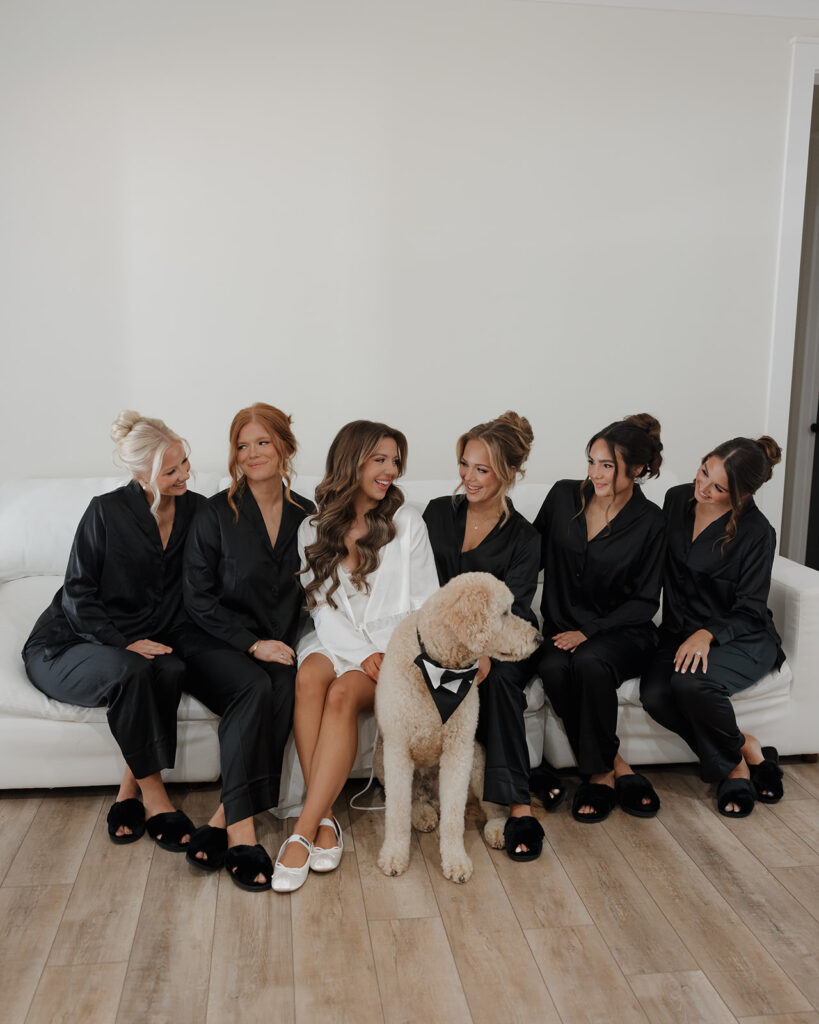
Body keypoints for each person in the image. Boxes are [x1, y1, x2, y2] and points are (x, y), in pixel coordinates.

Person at [272, 420, 439, 893]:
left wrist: (382, 652)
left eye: (395, 461)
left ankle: (302, 834)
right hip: (339, 638)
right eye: (379, 459)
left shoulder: (409, 524)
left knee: (342, 694)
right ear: (352, 461)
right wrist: (360, 651)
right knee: (309, 678)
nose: (391, 470)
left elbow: (427, 603)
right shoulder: (313, 526)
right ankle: (325, 819)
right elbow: (320, 609)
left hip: (394, 647)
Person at [23, 411, 202, 851]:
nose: (184, 474)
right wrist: (122, 642)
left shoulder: (195, 509)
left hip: (136, 642)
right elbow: (77, 592)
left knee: (171, 669)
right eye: (171, 469)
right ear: (142, 474)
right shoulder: (105, 511)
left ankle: (128, 790)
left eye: (184, 462)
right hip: (69, 643)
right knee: (132, 670)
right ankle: (157, 799)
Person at [180, 402, 315, 892]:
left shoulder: (307, 514)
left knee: (286, 685)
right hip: (209, 640)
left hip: (274, 646)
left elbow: (314, 590)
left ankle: (220, 814)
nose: (253, 453)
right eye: (242, 445)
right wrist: (253, 643)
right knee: (255, 688)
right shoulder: (215, 513)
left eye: (263, 441)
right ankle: (241, 831)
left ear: (284, 444)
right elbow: (196, 598)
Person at [423, 411, 549, 861]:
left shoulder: (524, 537)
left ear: (509, 474)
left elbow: (512, 610)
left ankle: (518, 806)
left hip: (505, 642)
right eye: (464, 464)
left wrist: (482, 655)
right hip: (441, 640)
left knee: (497, 681)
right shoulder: (438, 513)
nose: (468, 478)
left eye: (482, 469)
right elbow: (420, 587)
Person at [640, 436, 785, 817]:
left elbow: (751, 608)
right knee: (655, 695)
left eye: (719, 487)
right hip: (679, 632)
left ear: (740, 494)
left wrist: (708, 635)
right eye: (704, 471)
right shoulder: (675, 500)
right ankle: (746, 747)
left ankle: (733, 770)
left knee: (690, 682)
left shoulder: (758, 533)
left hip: (741, 637)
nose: (703, 487)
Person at [532, 414, 666, 823]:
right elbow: (528, 549)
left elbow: (644, 602)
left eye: (606, 465)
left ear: (638, 469)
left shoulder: (651, 522)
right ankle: (616, 766)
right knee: (553, 669)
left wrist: (587, 632)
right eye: (591, 461)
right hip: (562, 628)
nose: (594, 473)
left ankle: (599, 779)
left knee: (589, 663)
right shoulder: (562, 496)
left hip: (623, 633)